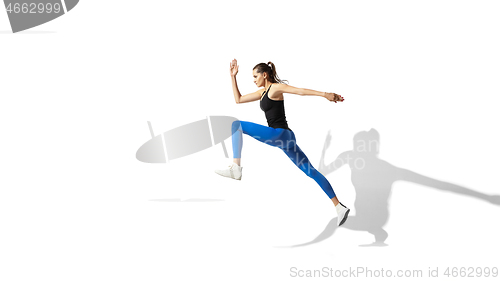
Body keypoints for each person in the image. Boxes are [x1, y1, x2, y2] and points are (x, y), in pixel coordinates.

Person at [215, 59, 349, 226]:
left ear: (265, 75)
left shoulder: (275, 88)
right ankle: (339, 207)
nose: (254, 80)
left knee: (237, 125)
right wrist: (233, 77)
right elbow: (239, 99)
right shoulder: (262, 93)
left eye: (255, 76)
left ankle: (236, 167)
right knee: (311, 171)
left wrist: (325, 94)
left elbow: (299, 91)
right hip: (286, 141)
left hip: (280, 135)